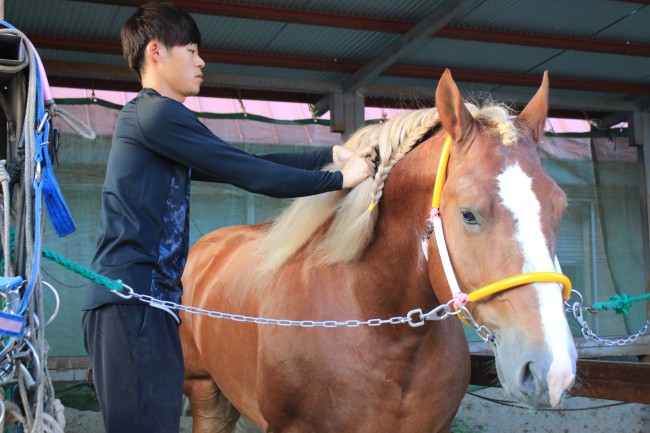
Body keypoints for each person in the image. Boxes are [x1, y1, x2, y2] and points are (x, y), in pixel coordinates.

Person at [81, 2, 376, 432]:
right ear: (157, 51)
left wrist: (327, 155)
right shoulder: (156, 114)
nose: (202, 62)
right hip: (132, 303)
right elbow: (250, 173)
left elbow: (241, 160)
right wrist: (339, 181)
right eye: (193, 50)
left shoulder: (157, 124)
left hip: (148, 302)